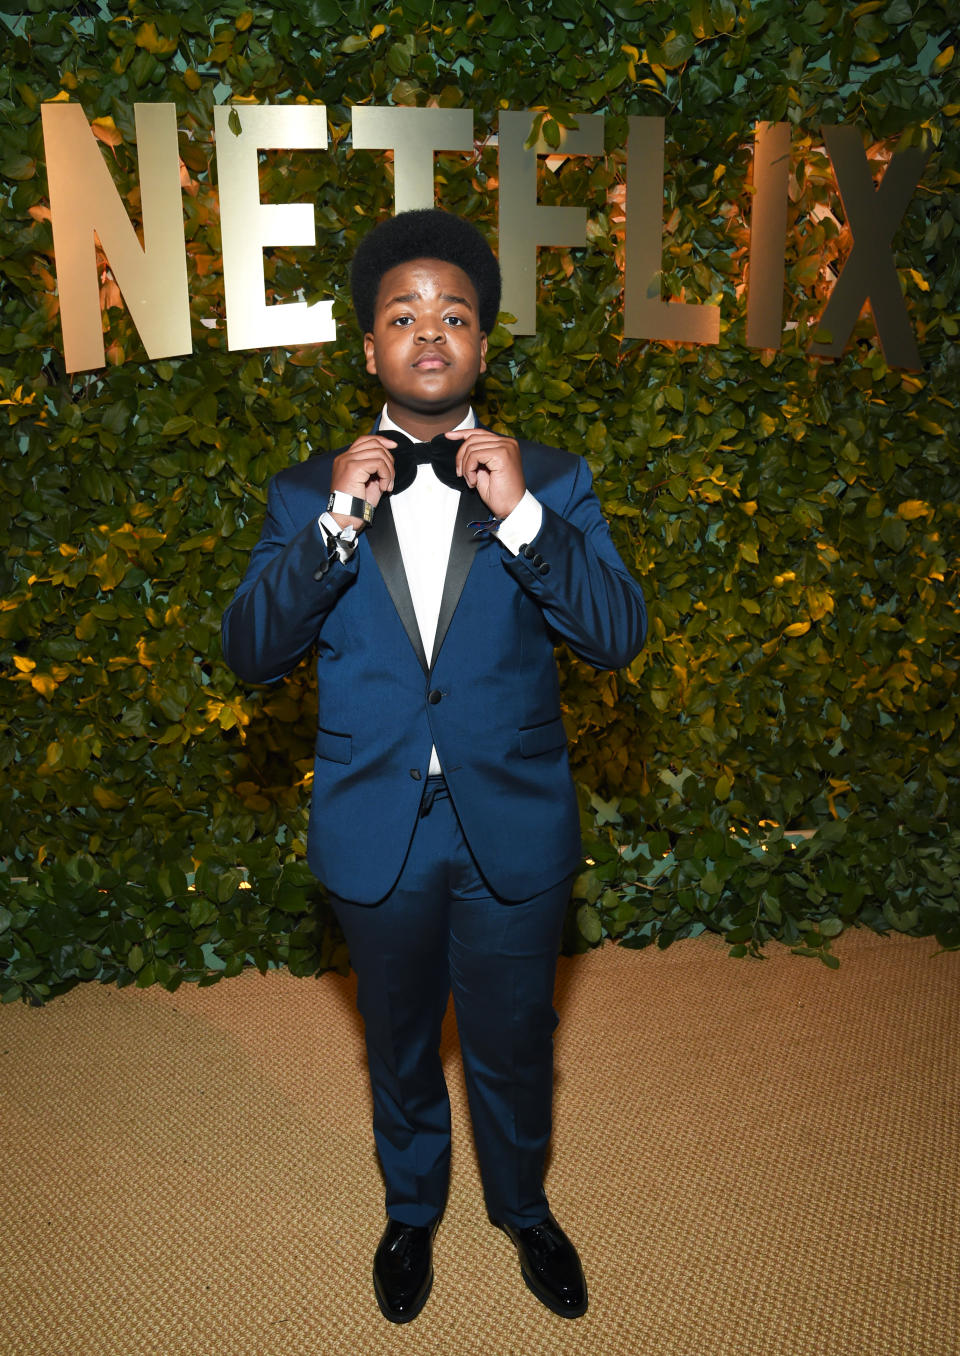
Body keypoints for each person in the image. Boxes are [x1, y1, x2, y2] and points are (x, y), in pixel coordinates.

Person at [221, 209, 647, 1324]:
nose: (428, 331)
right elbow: (253, 652)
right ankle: (412, 1211)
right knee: (400, 1043)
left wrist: (525, 522)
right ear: (369, 349)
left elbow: (616, 632)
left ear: (482, 349)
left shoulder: (552, 476)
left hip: (513, 819)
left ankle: (523, 1209)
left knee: (514, 1042)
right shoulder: (302, 488)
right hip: (377, 822)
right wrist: (330, 527)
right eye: (403, 314)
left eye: (453, 315)